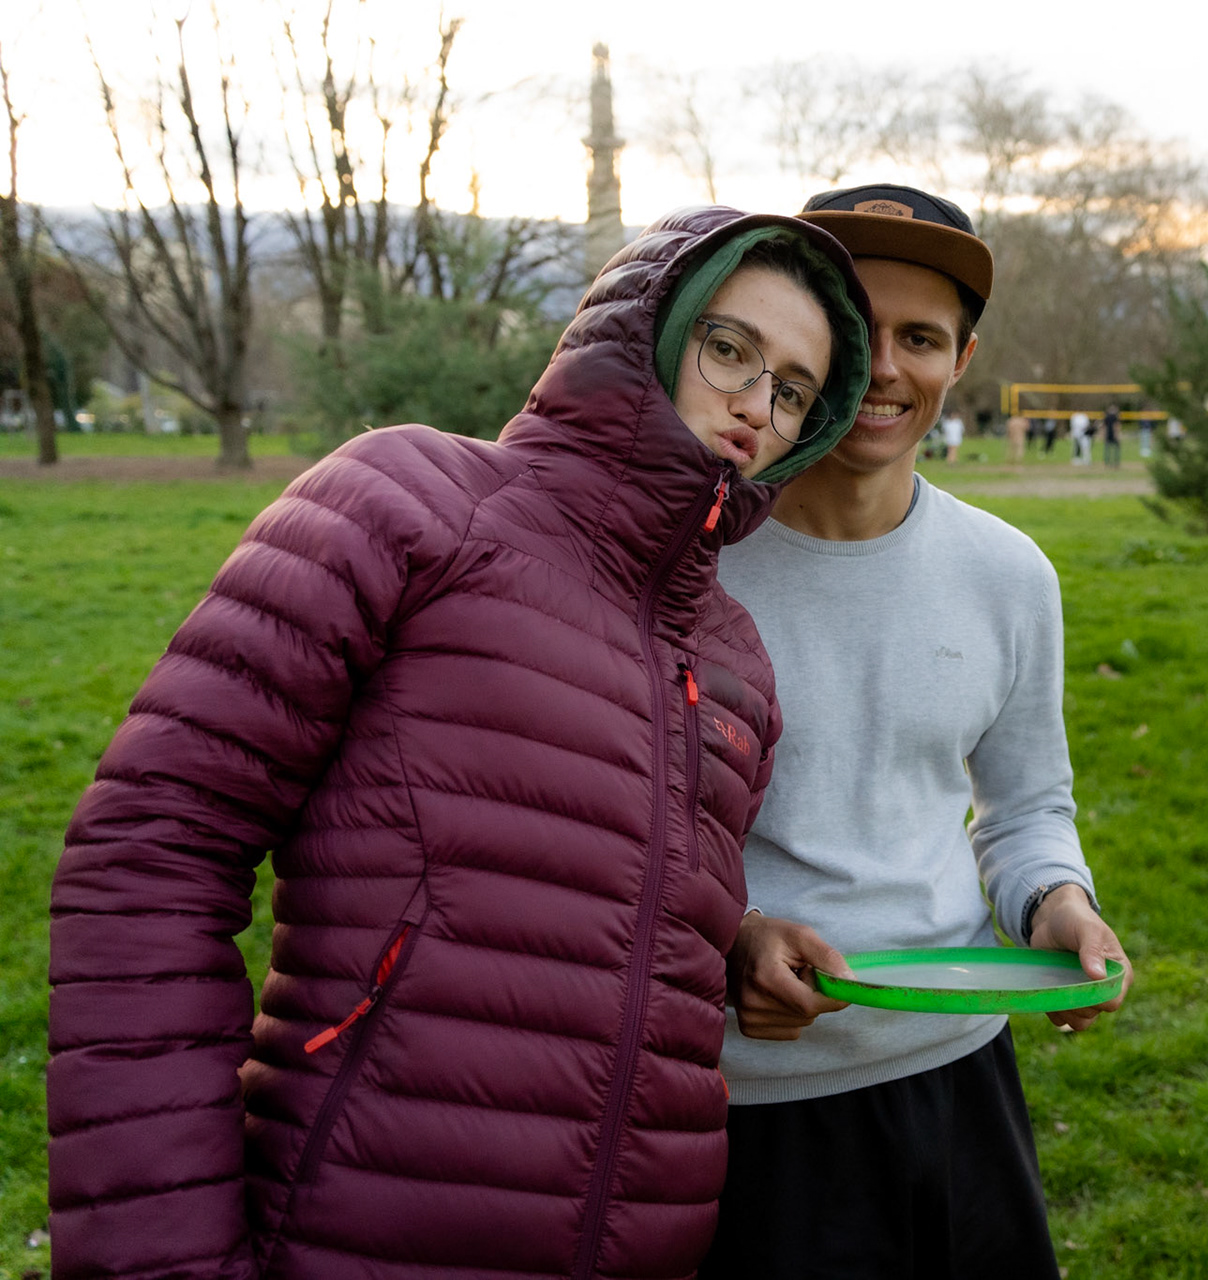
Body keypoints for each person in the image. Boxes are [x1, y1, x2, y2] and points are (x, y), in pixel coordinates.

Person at [45, 207, 872, 1279]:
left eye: (795, 390)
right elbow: (154, 854)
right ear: (647, 333)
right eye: (729, 349)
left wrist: (738, 939)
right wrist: (160, 1257)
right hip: (357, 1234)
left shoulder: (735, 659)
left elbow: (606, 914)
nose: (757, 405)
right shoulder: (409, 502)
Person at [703, 183, 1132, 1279]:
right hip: (747, 1096)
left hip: (959, 1071)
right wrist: (734, 932)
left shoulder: (1009, 575)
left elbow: (1026, 806)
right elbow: (616, 831)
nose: (885, 368)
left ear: (962, 358)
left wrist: (1057, 901)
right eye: (858, 331)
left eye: (923, 338)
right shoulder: (688, 568)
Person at [1101, 403, 1122, 468]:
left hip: (1108, 435)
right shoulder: (1115, 417)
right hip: (1113, 435)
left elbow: (1104, 427)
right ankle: (1116, 463)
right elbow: (1116, 426)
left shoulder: (1106, 417)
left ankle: (1107, 463)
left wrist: (1103, 435)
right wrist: (1117, 435)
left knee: (1107, 450)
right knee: (1116, 450)